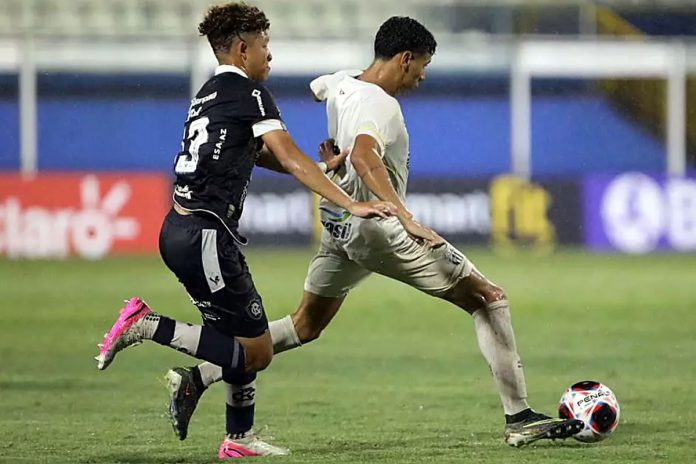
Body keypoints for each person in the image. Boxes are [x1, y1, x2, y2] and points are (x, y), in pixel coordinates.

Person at [165, 16, 584, 448]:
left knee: (306, 324)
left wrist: (332, 149)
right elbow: (366, 156)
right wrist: (404, 217)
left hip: (338, 228)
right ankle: (520, 419)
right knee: (488, 297)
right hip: (374, 230)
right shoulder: (381, 104)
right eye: (422, 65)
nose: (422, 77)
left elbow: (319, 88)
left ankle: (199, 376)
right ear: (404, 59)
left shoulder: (343, 82)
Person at [94, 2, 396, 460]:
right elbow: (288, 156)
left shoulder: (211, 92)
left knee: (240, 339)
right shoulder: (251, 94)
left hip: (184, 229)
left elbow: (257, 153)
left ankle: (237, 438)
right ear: (241, 49)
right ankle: (146, 324)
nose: (269, 55)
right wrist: (349, 200)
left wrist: (319, 166)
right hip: (205, 236)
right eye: (264, 46)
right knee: (256, 352)